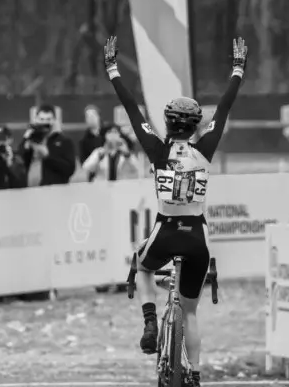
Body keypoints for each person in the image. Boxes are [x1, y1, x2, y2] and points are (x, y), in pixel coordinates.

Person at [105, 35, 247, 387]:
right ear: (198, 125)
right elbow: (225, 107)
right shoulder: (206, 148)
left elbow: (133, 110)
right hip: (197, 236)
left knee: (140, 263)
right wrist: (238, 68)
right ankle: (196, 376)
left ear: (167, 124)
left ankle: (150, 319)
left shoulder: (156, 148)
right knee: (192, 311)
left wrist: (112, 68)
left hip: (165, 230)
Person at [22, 105, 77, 186]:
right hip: (31, 191)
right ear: (36, 120)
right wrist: (25, 142)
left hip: (55, 190)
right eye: (41, 119)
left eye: (48, 119)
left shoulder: (64, 141)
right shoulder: (30, 139)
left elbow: (69, 170)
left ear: (54, 120)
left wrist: (48, 156)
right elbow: (20, 164)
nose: (44, 123)